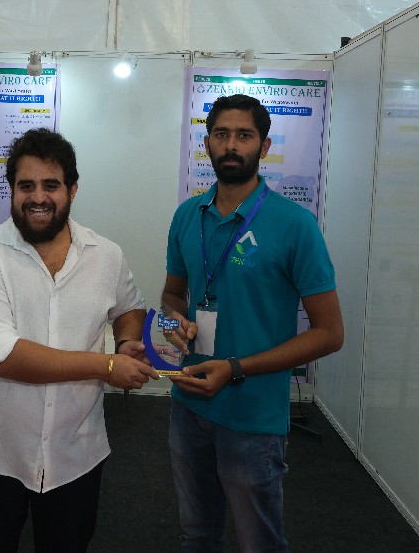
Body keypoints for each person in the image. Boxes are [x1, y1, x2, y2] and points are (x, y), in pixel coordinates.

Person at [0, 127, 158, 553]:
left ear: (72, 189)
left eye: (51, 185)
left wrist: (126, 342)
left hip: (76, 456)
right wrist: (105, 365)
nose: (38, 197)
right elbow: (2, 356)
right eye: (25, 186)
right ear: (11, 189)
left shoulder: (106, 255)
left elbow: (130, 307)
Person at [162, 94, 345, 552]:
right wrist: (174, 319)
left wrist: (236, 367)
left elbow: (329, 333)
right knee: (195, 535)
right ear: (206, 143)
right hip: (188, 403)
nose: (231, 145)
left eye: (244, 136)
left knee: (258, 542)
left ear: (263, 147)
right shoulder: (187, 216)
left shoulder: (295, 225)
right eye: (221, 134)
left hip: (253, 415)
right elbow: (171, 294)